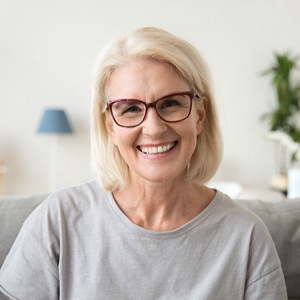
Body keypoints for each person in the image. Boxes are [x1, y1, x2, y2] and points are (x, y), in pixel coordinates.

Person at [0, 27, 287, 299]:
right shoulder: (58, 220)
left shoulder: (247, 237)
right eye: (131, 108)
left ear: (199, 115)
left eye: (171, 103)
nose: (153, 128)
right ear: (110, 125)